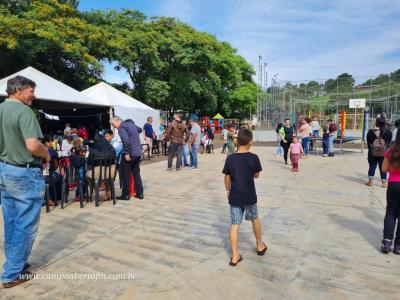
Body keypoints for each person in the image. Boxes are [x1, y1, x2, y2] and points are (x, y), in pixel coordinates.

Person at [0, 76, 50, 288]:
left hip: (4, 169)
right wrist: (47, 153)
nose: (34, 95)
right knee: (25, 224)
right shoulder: (24, 112)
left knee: (11, 221)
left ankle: (15, 263)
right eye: (31, 90)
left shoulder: (1, 109)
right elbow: (32, 145)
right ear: (18, 91)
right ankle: (12, 273)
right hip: (24, 172)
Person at [222, 128, 267, 267]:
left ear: (237, 141)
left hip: (235, 197)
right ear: (250, 142)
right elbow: (256, 175)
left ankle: (235, 256)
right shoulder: (253, 157)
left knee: (235, 224)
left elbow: (227, 177)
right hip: (249, 196)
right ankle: (260, 245)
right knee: (254, 219)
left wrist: (228, 191)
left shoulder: (230, 158)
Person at [110, 117, 144, 200]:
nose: (113, 126)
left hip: (130, 153)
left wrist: (127, 153)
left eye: (113, 124)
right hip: (138, 153)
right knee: (136, 174)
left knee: (125, 174)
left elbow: (126, 141)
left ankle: (125, 195)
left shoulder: (121, 127)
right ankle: (140, 194)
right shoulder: (131, 125)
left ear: (118, 121)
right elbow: (140, 130)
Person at [380, 129, 400, 254]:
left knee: (391, 212)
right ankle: (398, 246)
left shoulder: (391, 151)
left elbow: (384, 168)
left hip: (394, 184)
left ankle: (387, 243)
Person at [365, 117, 392, 187]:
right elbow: (389, 143)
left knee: (372, 166)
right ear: (385, 123)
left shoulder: (371, 132)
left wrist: (371, 149)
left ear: (376, 123)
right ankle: (384, 183)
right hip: (383, 153)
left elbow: (368, 142)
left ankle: (370, 181)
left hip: (372, 152)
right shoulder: (388, 132)